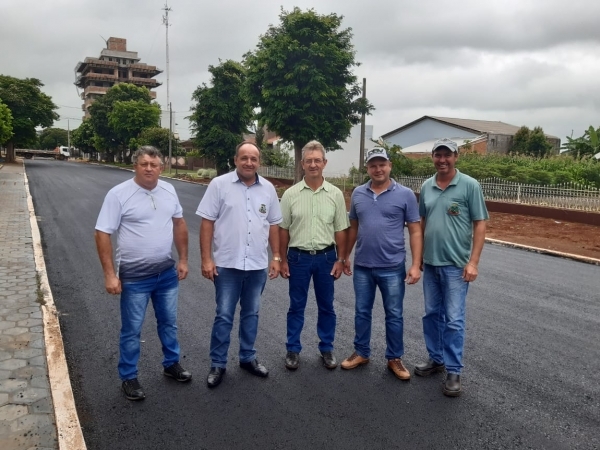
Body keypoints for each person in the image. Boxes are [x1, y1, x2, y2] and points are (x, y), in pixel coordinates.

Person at [95, 146, 191, 401]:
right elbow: (102, 233)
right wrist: (109, 274)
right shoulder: (118, 194)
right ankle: (129, 376)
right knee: (132, 329)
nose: (149, 168)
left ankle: (171, 363)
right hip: (134, 278)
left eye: (154, 164)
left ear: (161, 167)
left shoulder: (169, 190)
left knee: (168, 322)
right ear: (135, 166)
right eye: (144, 164)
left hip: (166, 274)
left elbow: (179, 223)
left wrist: (183, 259)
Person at [197, 141, 282, 388]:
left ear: (259, 162)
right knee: (224, 315)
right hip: (227, 265)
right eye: (244, 158)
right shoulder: (219, 185)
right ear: (235, 160)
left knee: (251, 314)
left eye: (253, 159)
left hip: (256, 265)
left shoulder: (268, 189)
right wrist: (206, 259)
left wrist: (276, 257)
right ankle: (218, 363)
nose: (249, 162)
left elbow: (273, 225)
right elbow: (207, 223)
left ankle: (247, 357)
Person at [415, 138, 489, 397]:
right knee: (431, 315)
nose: (442, 160)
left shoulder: (469, 185)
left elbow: (480, 224)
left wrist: (473, 262)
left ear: (456, 157)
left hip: (457, 266)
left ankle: (454, 370)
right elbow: (422, 222)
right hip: (431, 263)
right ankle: (436, 359)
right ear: (432, 157)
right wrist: (419, 256)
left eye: (447, 155)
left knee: (454, 320)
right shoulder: (427, 186)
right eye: (438, 155)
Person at [340, 147, 423, 380]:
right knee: (361, 311)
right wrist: (344, 256)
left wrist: (415, 264)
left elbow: (415, 231)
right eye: (373, 165)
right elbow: (353, 227)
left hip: (392, 266)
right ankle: (361, 352)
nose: (378, 169)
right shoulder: (358, 193)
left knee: (394, 314)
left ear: (390, 165)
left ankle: (394, 358)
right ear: (367, 168)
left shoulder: (405, 194)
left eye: (382, 164)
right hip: (363, 266)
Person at [279, 140, 349, 371]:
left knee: (326, 306)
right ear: (302, 163)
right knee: (296, 306)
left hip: (326, 258)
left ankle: (326, 348)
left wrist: (341, 259)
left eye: (317, 160)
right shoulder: (290, 194)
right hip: (297, 258)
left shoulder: (335, 194)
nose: (313, 165)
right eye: (308, 161)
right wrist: (281, 259)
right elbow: (283, 229)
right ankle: (293, 349)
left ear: (324, 163)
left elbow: (341, 229)